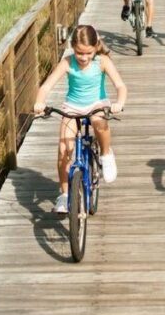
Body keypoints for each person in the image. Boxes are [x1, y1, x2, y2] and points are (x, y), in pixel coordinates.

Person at [34, 25, 127, 214]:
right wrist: (40, 102)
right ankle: (64, 194)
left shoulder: (102, 61)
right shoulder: (67, 62)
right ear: (72, 47)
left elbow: (120, 86)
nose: (83, 58)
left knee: (99, 123)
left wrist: (119, 103)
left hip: (96, 104)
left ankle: (106, 154)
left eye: (88, 53)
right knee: (64, 150)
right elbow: (46, 87)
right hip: (73, 107)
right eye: (79, 53)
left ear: (96, 47)